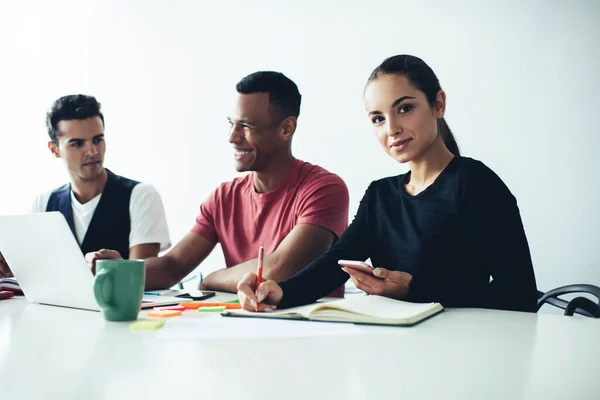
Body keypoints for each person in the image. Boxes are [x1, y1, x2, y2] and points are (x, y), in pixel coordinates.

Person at [237, 55, 538, 313]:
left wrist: (415, 289)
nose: (392, 129)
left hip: (462, 352)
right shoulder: (380, 195)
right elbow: (333, 264)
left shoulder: (476, 184)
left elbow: (520, 295)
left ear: (439, 104)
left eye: (404, 108)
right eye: (378, 119)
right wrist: (280, 291)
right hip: (389, 354)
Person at [87, 71, 350, 294]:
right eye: (231, 124)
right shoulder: (223, 197)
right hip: (241, 330)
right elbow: (173, 266)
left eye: (246, 126)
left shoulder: (324, 189)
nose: (232, 137)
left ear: (286, 128)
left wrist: (211, 280)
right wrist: (121, 270)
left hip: (310, 332)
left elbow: (278, 270)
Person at [0, 95, 171, 279]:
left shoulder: (140, 195)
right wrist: (13, 269)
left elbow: (141, 278)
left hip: (120, 308)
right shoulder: (43, 205)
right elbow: (36, 275)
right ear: (54, 149)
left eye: (97, 140)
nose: (92, 151)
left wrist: (119, 270)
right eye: (78, 144)